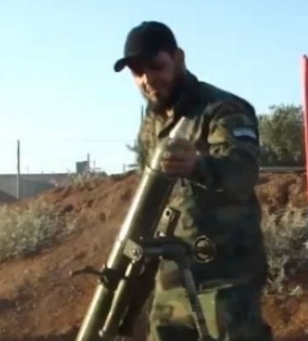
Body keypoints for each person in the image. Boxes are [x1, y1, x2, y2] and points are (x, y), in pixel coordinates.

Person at [113, 21, 274, 341]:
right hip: (171, 278)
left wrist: (198, 166)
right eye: (137, 72)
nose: (147, 80)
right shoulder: (151, 122)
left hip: (226, 278)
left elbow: (243, 172)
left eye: (156, 66)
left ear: (179, 58)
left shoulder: (223, 109)